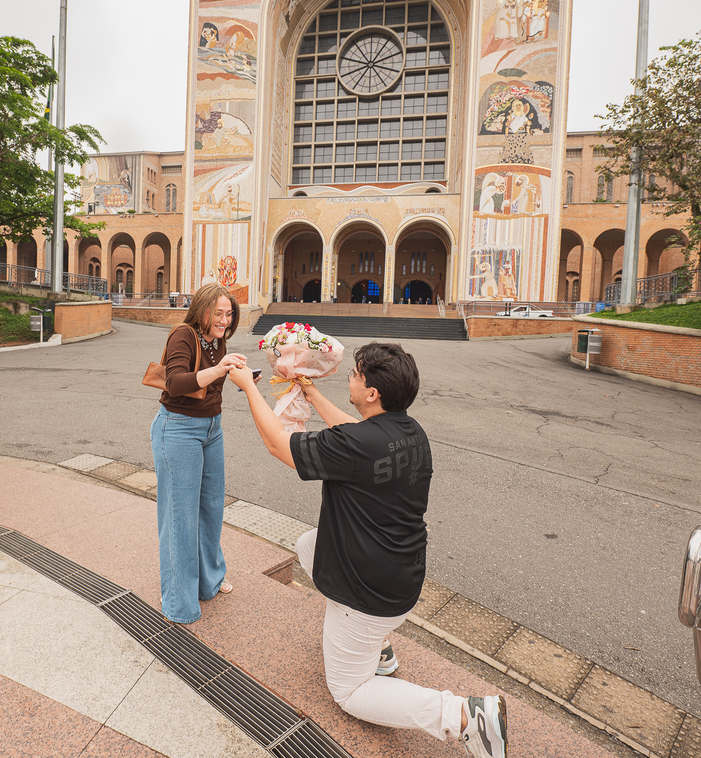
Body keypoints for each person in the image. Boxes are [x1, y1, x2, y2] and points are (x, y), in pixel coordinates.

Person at [228, 344, 508, 758]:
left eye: (356, 374)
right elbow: (354, 434)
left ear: (373, 392)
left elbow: (277, 444)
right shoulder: (411, 432)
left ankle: (465, 716)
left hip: (368, 593)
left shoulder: (358, 444)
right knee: (310, 545)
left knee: (349, 691)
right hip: (403, 577)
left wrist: (246, 388)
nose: (351, 378)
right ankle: (376, 646)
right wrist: (311, 392)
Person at [150, 283, 247, 623]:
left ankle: (210, 581)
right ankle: (180, 602)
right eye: (218, 313)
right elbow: (175, 382)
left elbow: (212, 384)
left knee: (210, 508)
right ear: (203, 311)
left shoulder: (218, 340)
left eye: (229, 313)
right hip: (178, 429)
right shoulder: (183, 334)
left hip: (211, 429)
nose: (224, 320)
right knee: (181, 516)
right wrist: (220, 369)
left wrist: (242, 375)